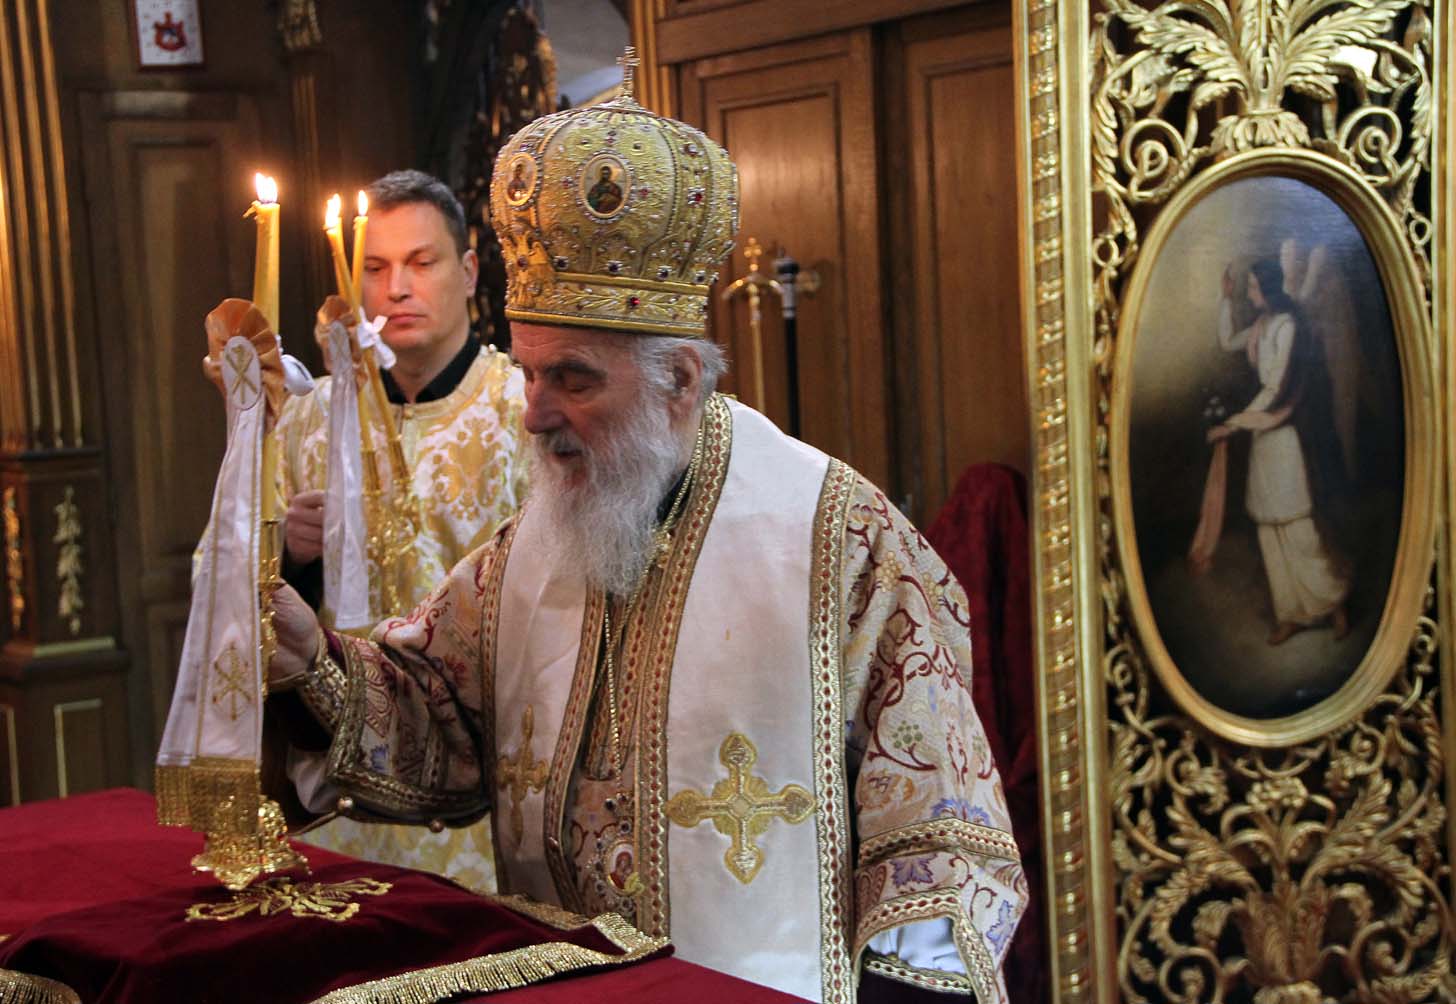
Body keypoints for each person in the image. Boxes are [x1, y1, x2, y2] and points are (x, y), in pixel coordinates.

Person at [266, 83, 1024, 1003]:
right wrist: (314, 664)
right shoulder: (536, 543)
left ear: (681, 381)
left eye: (573, 379)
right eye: (530, 373)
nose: (535, 412)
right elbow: (440, 719)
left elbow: (940, 843)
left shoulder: (838, 541)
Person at [272, 169, 526, 891]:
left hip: (479, 796)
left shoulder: (523, 412)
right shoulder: (306, 419)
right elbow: (222, 584)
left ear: (468, 272)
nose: (397, 289)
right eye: (376, 268)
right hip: (336, 798)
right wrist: (289, 555)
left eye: (421, 262)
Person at [1208, 257, 1351, 645]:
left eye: (1254, 287)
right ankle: (1291, 614)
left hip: (1282, 436)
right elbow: (1227, 342)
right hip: (1261, 440)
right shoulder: (1261, 324)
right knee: (1269, 531)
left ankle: (1333, 603)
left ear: (1269, 288)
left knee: (1299, 529)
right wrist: (1225, 300)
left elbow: (1275, 388)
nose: (1250, 293)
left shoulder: (1288, 326)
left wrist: (1235, 423)